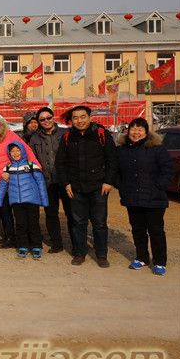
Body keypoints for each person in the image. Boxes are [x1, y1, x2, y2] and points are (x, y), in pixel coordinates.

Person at [54, 105, 118, 267]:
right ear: (71, 120)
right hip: (76, 188)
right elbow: (60, 163)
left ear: (90, 117)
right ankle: (79, 253)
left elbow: (112, 160)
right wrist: (66, 183)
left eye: (83, 117)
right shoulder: (67, 137)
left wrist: (109, 181)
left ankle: (101, 255)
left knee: (99, 223)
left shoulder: (102, 134)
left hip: (99, 187)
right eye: (75, 118)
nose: (79, 120)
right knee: (78, 223)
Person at [118, 117, 174, 276]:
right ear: (128, 131)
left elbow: (168, 169)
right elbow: (116, 171)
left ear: (146, 131)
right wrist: (121, 186)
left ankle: (160, 261)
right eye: (133, 129)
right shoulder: (122, 149)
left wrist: (159, 186)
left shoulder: (157, 148)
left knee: (156, 231)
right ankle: (142, 257)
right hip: (132, 197)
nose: (136, 132)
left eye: (140, 129)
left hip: (154, 198)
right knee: (138, 230)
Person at [0, 113, 41, 249]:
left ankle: (27, 240)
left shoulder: (8, 135)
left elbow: (26, 150)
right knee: (5, 213)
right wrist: (0, 174)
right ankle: (10, 238)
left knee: (21, 213)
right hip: (1, 181)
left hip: (19, 178)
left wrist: (37, 167)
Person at [0, 142, 49, 259]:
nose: (15, 153)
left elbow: (41, 183)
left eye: (17, 150)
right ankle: (22, 246)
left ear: (23, 151)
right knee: (20, 224)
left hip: (32, 200)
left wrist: (44, 201)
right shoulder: (8, 168)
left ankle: (36, 246)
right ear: (9, 153)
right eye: (12, 151)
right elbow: (3, 186)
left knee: (33, 224)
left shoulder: (31, 165)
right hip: (16, 202)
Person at [28, 107, 69, 253]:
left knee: (72, 212)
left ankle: (76, 244)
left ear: (53, 117)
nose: (46, 121)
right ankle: (56, 243)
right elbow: (32, 159)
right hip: (46, 181)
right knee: (51, 213)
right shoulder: (35, 138)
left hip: (66, 180)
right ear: (39, 122)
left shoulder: (65, 133)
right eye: (42, 119)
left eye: (48, 118)